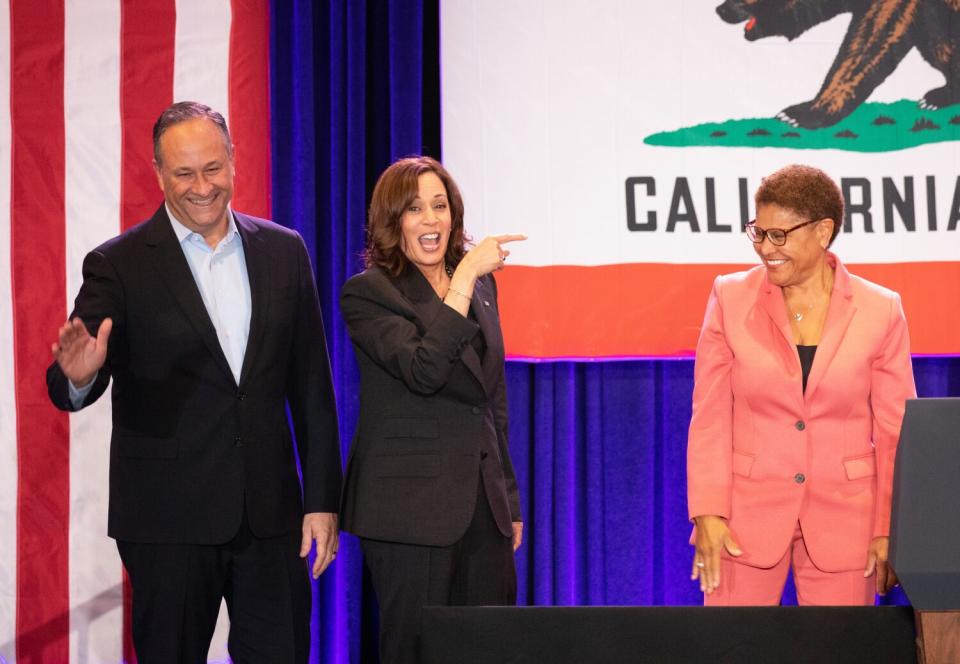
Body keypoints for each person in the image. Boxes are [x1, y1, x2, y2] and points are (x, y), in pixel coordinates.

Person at [46, 101, 342, 662]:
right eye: (184, 173)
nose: (201, 186)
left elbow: (312, 389)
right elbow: (72, 374)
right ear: (158, 173)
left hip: (270, 518)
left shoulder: (284, 251)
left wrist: (323, 500)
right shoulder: (119, 264)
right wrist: (80, 378)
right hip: (167, 524)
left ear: (233, 162)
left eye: (212, 168)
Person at [687, 164, 916, 605]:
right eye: (758, 232)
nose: (765, 248)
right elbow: (710, 415)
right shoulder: (729, 297)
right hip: (742, 519)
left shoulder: (881, 310)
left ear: (823, 231)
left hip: (847, 520)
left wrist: (890, 529)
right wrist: (708, 511)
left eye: (780, 235)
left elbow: (895, 432)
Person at [339, 156, 525, 664]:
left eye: (440, 206)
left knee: (491, 648)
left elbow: (491, 401)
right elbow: (424, 370)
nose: (432, 220)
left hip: (483, 510)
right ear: (391, 220)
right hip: (409, 513)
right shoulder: (369, 294)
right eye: (416, 208)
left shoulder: (483, 287)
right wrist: (464, 276)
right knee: (415, 652)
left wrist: (508, 500)